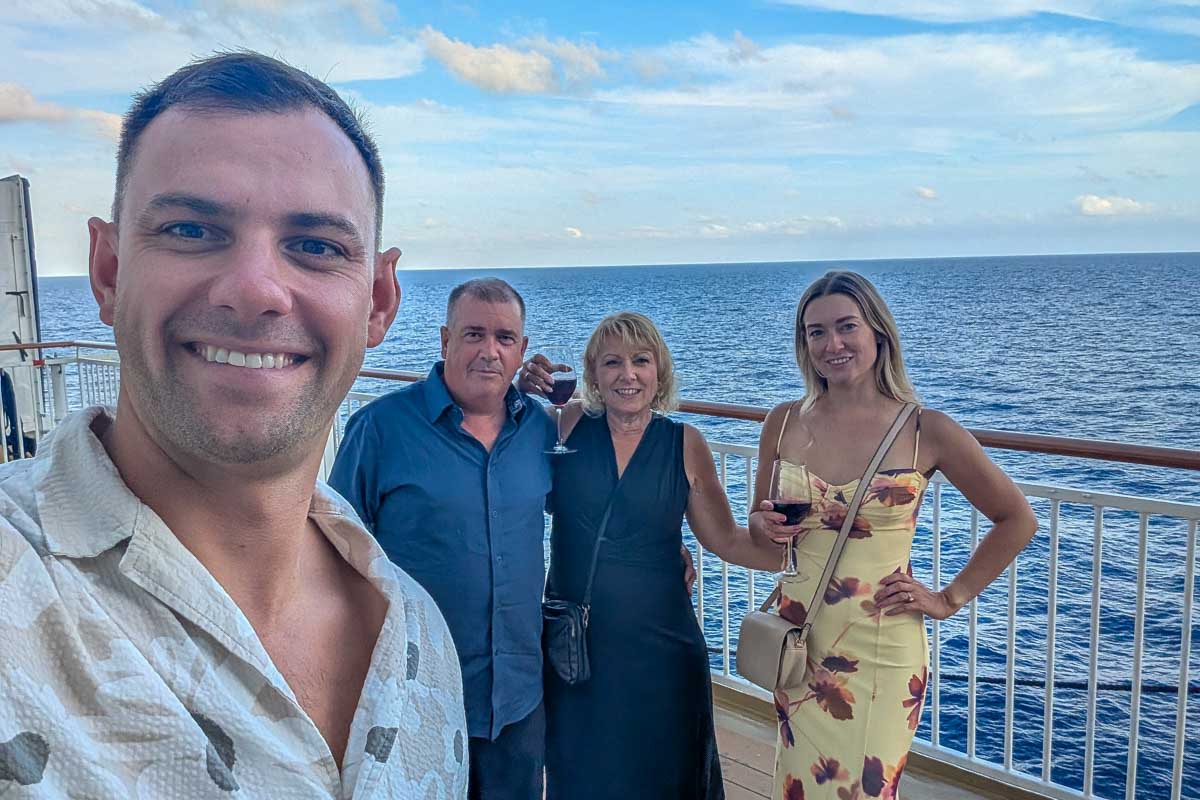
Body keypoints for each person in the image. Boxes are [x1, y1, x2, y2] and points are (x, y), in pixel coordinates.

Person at [0, 53, 468, 798]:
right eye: (191, 229)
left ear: (378, 302)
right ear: (109, 272)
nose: (255, 290)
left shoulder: (418, 637)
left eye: (315, 246)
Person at [749, 271, 1037, 800]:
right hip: (799, 641)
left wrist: (949, 597)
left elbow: (1017, 519)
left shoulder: (927, 430)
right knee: (799, 786)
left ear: (878, 334)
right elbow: (761, 528)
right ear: (804, 344)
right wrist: (764, 524)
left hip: (881, 647)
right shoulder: (784, 422)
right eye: (816, 333)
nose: (832, 344)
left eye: (846, 327)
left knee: (864, 790)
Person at [521, 311, 783, 799]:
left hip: (662, 651)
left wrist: (787, 546)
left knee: (666, 777)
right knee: (580, 773)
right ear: (593, 373)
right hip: (578, 648)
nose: (628, 374)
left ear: (659, 371)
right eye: (612, 362)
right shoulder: (568, 424)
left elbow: (726, 539)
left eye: (641, 361)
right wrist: (521, 387)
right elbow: (504, 456)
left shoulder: (685, 444)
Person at [329, 278, 554, 800]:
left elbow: (587, 515)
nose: (489, 351)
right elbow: (333, 552)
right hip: (413, 696)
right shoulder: (380, 430)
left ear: (521, 351)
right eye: (474, 334)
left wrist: (662, 547)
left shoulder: (542, 431)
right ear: (445, 340)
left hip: (517, 699)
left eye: (504, 338)